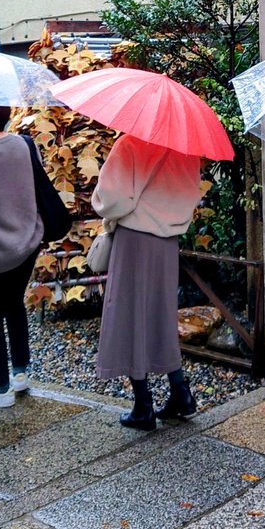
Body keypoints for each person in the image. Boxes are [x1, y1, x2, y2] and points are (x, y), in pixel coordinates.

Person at [93, 133, 201, 430]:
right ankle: (180, 393)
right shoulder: (186, 148)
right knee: (161, 315)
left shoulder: (131, 143)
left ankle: (143, 405)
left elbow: (110, 198)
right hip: (167, 242)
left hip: (135, 237)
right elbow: (190, 191)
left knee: (130, 315)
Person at [0, 104, 45, 408]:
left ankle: (0, 389)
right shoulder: (23, 143)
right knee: (14, 304)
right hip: (27, 244)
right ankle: (20, 375)